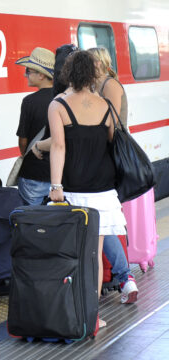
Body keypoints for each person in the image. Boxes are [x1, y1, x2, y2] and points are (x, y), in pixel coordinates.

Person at [48, 50, 128, 326]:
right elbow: (110, 141)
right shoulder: (105, 106)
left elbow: (58, 146)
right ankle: (91, 316)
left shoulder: (58, 106)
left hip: (72, 188)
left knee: (73, 255)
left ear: (68, 74)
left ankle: (70, 310)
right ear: (94, 74)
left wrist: (55, 186)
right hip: (103, 191)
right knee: (94, 256)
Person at [89, 46, 138, 303]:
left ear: (103, 63)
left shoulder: (109, 85)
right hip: (104, 161)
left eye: (94, 61)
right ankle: (123, 277)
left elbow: (114, 126)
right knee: (106, 225)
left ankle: (123, 276)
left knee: (106, 226)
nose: (91, 65)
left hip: (108, 161)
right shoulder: (100, 86)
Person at [14, 47, 55, 205]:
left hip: (33, 174)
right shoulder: (63, 98)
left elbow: (23, 140)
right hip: (58, 175)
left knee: (34, 224)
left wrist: (28, 154)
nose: (25, 74)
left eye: (28, 70)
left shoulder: (29, 102)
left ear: (41, 75)